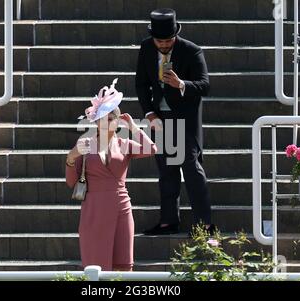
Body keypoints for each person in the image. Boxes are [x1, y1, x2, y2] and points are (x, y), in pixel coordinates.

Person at [135, 8, 216, 236]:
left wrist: (181, 84)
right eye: (159, 41)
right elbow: (141, 84)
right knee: (166, 171)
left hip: (184, 119)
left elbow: (205, 85)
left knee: (191, 170)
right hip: (160, 120)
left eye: (167, 41)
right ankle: (169, 221)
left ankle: (205, 225)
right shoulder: (146, 47)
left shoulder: (191, 50)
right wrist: (149, 113)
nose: (163, 45)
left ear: (175, 36)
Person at [65, 79, 158, 271]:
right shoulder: (86, 144)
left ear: (118, 121)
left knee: (123, 267)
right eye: (101, 118)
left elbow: (152, 148)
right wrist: (71, 157)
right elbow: (71, 182)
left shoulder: (124, 144)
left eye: (110, 118)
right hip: (94, 210)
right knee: (95, 268)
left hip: (121, 208)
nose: (106, 122)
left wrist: (133, 127)